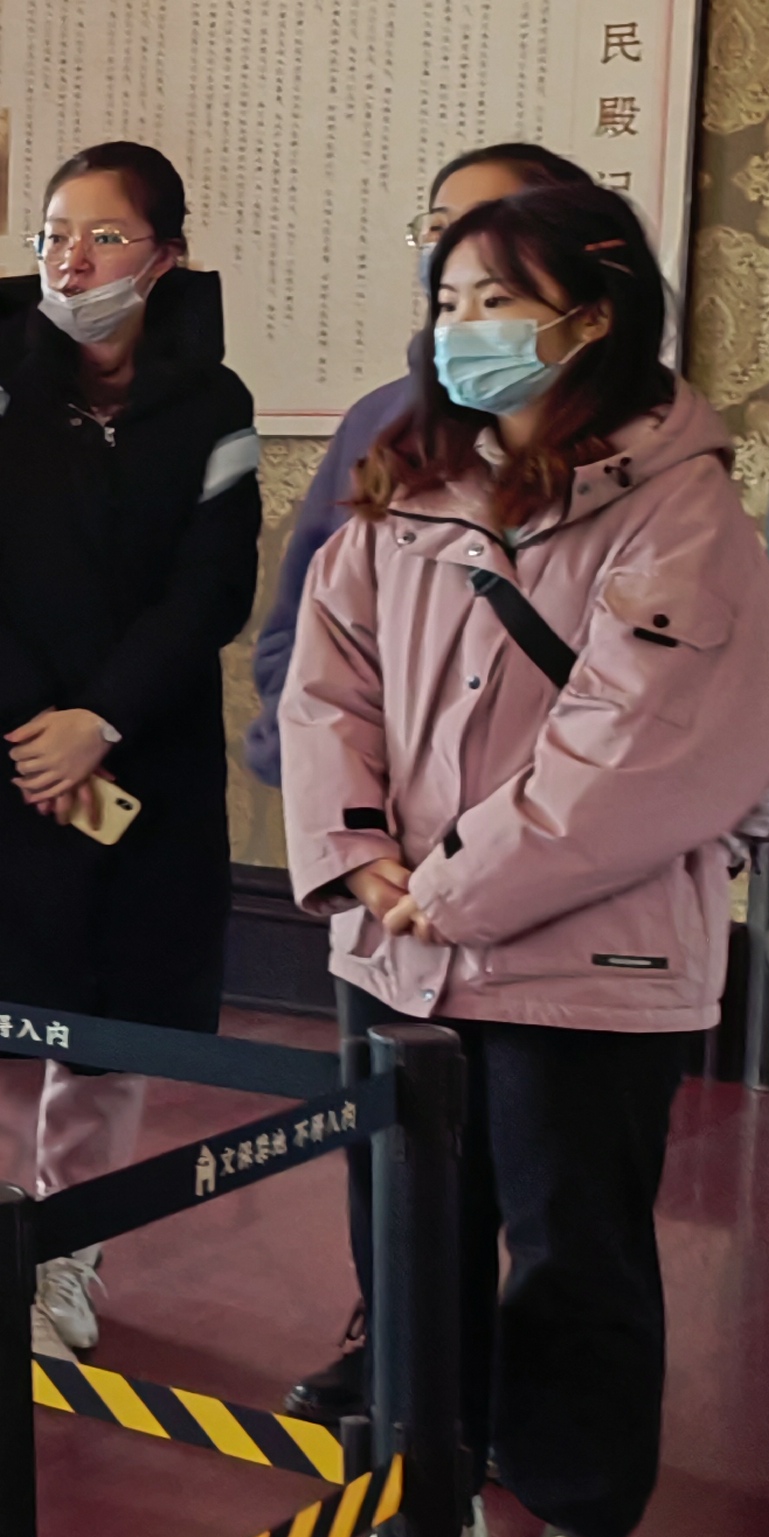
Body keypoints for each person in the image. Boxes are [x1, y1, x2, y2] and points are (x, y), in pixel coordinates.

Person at [286, 183, 769, 1537]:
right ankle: (430, 1499)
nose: (463, 330)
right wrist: (357, 856)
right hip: (397, 941)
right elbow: (326, 686)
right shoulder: (409, 480)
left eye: (497, 303)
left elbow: (636, 749)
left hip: (587, 957)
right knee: (411, 1242)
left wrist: (444, 889)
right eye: (448, 301)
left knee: (574, 1251)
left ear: (590, 317)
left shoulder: (680, 507)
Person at [0, 140, 261, 1360]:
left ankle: (66, 1263)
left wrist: (96, 722)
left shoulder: (214, 405)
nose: (72, 260)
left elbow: (210, 587)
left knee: (106, 1036)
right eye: (54, 234)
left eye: (104, 237)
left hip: (138, 755)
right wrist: (30, 723)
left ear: (166, 257)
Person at [250, 141, 598, 1427]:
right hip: (388, 890)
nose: (455, 277)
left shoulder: (645, 460)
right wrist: (341, 831)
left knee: (555, 1192)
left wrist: (476, 869)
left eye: (490, 250)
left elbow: (643, 724)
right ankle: (399, 1362)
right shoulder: (385, 429)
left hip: (557, 894)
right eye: (440, 242)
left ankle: (542, 1440)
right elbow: (302, 646)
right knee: (397, 1164)